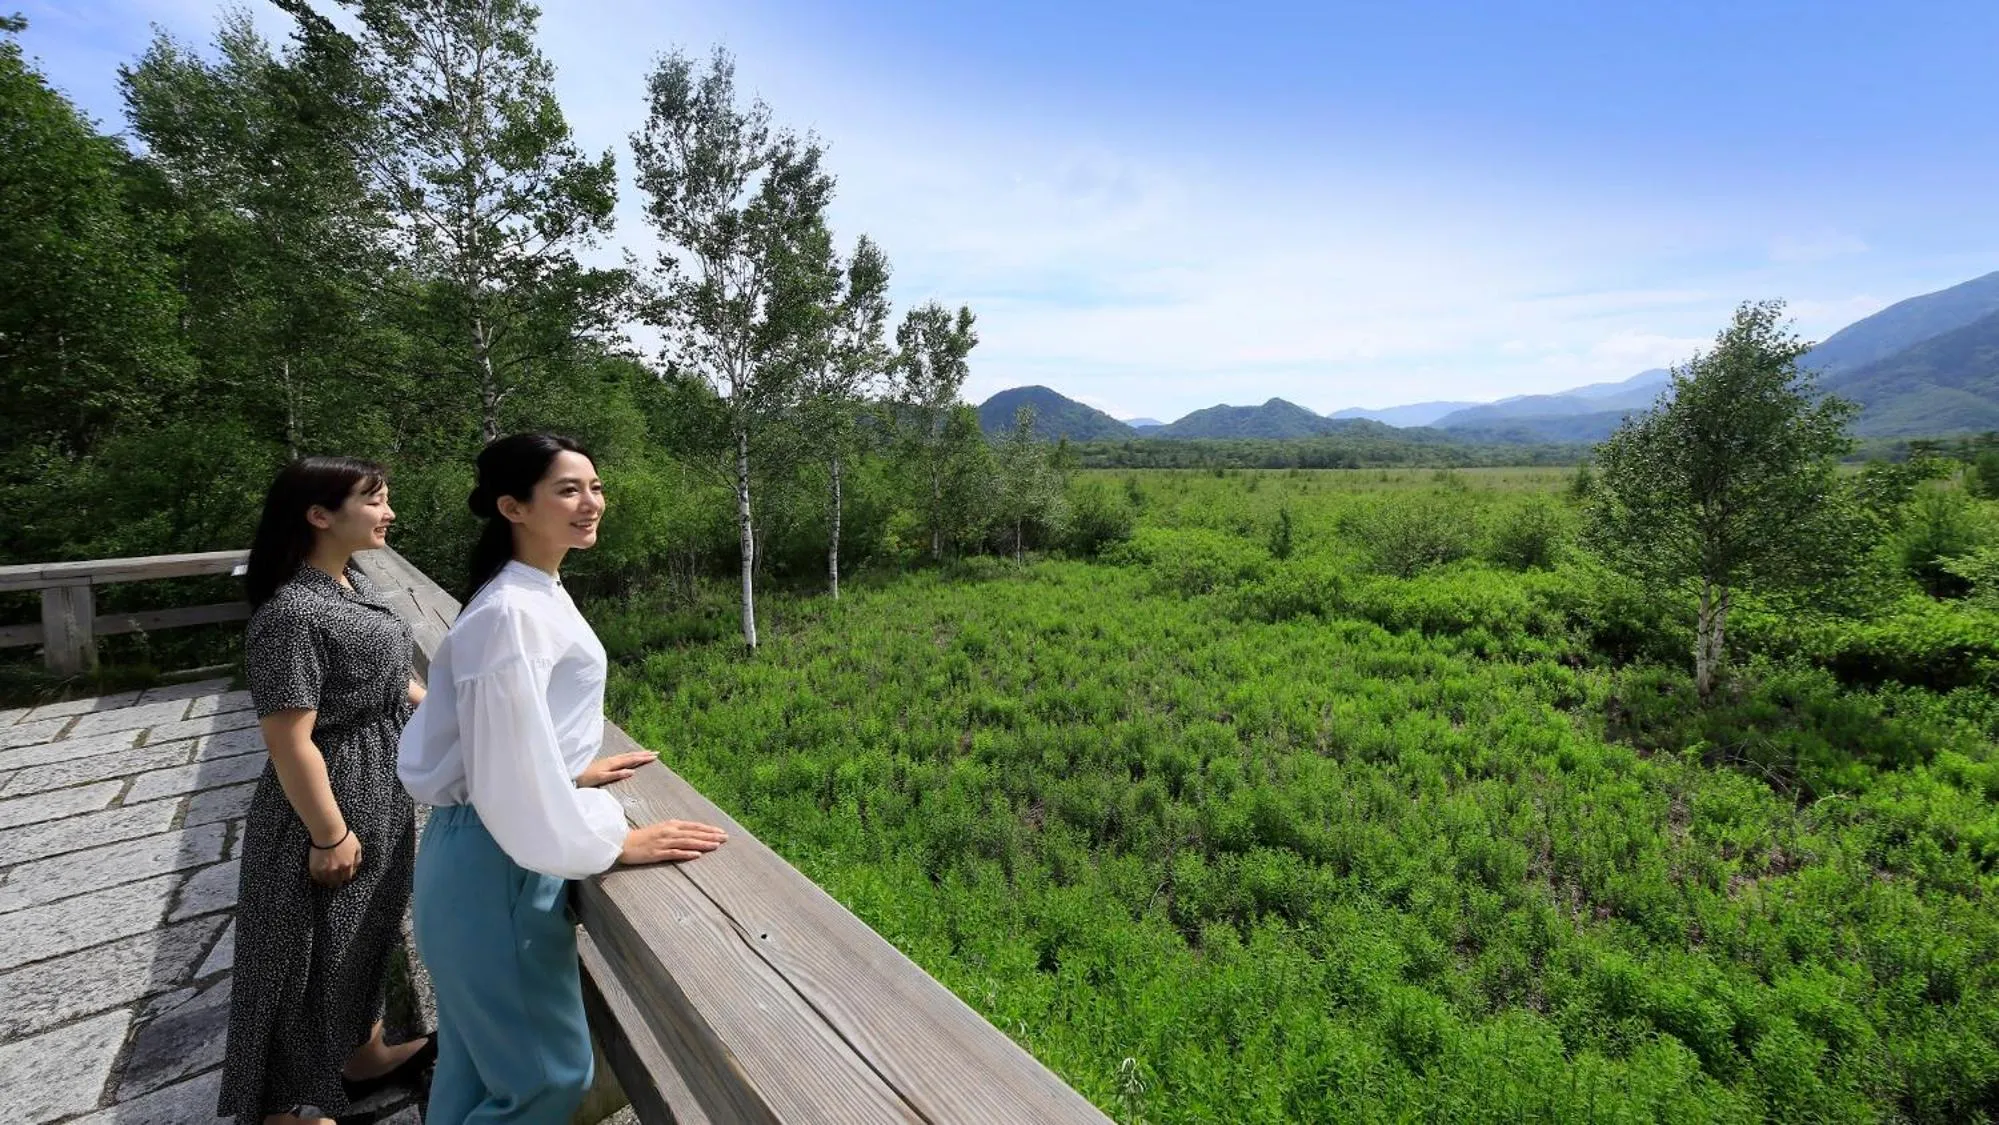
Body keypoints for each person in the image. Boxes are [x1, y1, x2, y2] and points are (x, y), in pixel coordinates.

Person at [398, 432, 729, 1124]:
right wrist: (611, 844)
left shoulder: (526, 592)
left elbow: (501, 738)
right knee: (550, 1079)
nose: (591, 502)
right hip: (502, 862)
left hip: (480, 854)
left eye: (596, 486)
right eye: (568, 489)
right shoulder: (511, 611)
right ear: (513, 506)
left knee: (471, 1064)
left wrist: (566, 767)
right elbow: (508, 783)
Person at [219, 457, 436, 1125]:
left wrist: (461, 715)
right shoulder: (290, 612)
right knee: (300, 953)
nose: (389, 512)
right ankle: (283, 1107)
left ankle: (360, 1053)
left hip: (380, 784)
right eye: (374, 500)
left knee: (363, 933)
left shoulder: (347, 584)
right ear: (319, 514)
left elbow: (388, 678)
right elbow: (289, 739)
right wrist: (329, 832)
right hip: (330, 801)